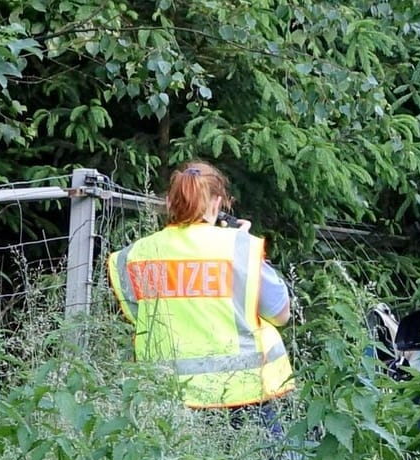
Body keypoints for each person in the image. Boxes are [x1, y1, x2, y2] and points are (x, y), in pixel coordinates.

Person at [106, 161, 294, 411]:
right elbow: (281, 314)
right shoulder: (239, 248)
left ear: (171, 203)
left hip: (167, 395)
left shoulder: (135, 255)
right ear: (217, 202)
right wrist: (242, 240)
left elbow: (139, 318)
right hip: (245, 393)